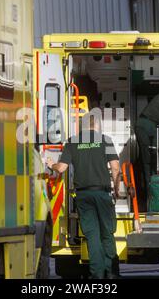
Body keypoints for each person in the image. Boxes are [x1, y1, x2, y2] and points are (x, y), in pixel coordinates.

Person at [46, 113, 120, 279]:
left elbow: (62, 168)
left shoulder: (72, 142)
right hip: (102, 193)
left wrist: (52, 165)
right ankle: (112, 274)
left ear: (82, 125)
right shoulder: (105, 140)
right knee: (107, 234)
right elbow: (115, 168)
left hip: (83, 195)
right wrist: (117, 189)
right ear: (98, 125)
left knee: (92, 235)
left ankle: (97, 276)